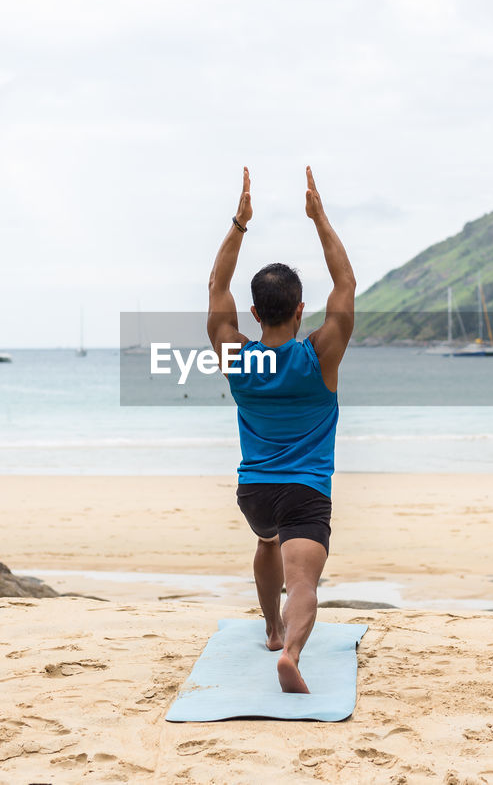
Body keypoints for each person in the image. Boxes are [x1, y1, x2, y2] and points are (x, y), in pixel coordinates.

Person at [206, 166, 355, 693]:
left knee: (268, 543)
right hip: (306, 491)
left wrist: (239, 225)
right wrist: (320, 219)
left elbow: (216, 285)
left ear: (253, 312)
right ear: (299, 309)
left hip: (256, 491)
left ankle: (271, 628)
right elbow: (345, 284)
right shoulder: (320, 355)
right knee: (305, 581)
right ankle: (290, 652)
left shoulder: (235, 355)